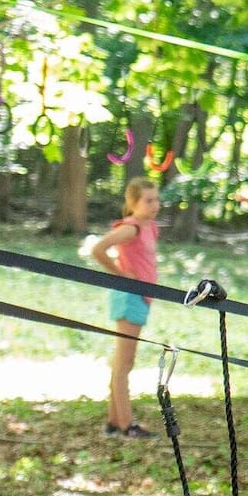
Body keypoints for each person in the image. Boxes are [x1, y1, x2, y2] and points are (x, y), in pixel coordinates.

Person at [90, 177, 161, 440]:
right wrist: (120, 273)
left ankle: (113, 421)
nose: (154, 205)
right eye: (148, 200)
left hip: (142, 297)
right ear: (132, 203)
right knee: (124, 363)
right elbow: (99, 249)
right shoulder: (130, 228)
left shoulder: (149, 227)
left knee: (123, 361)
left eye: (156, 199)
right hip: (129, 297)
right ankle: (126, 424)